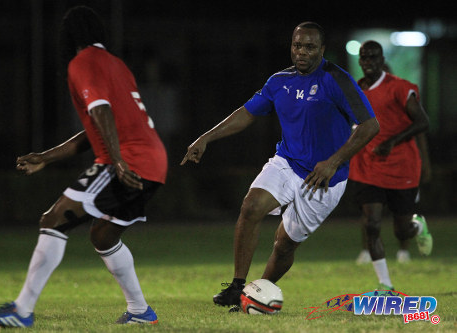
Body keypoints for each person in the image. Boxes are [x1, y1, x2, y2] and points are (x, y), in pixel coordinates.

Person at [0, 6, 167, 327]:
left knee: (53, 220)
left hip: (128, 159)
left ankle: (21, 311)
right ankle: (140, 312)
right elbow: (95, 125)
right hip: (154, 161)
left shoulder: (82, 62)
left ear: (68, 37)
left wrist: (117, 161)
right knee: (103, 236)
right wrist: (46, 157)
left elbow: (101, 111)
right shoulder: (117, 65)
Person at [181, 22, 380, 310]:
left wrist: (333, 162)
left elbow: (370, 125)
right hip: (286, 162)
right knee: (250, 207)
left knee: (284, 244)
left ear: (322, 50)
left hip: (325, 179)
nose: (301, 52)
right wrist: (206, 138)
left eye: (310, 47)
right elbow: (247, 113)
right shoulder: (278, 81)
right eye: (297, 45)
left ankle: (256, 296)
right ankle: (237, 287)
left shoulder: (336, 80)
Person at [348, 40, 432, 290]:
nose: (368, 62)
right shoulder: (355, 90)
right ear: (360, 61)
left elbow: (423, 122)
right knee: (371, 223)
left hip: (401, 167)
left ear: (382, 60)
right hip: (368, 167)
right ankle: (385, 283)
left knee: (401, 231)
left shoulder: (399, 87)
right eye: (364, 58)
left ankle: (417, 226)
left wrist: (392, 142)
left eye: (373, 57)